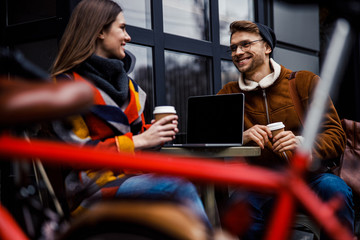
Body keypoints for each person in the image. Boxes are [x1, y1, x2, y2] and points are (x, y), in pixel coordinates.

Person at [49, 0, 211, 229]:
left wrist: (154, 134)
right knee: (179, 188)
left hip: (134, 178)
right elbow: (76, 154)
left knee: (197, 177)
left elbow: (136, 136)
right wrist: (140, 141)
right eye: (122, 28)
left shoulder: (131, 87)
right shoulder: (65, 87)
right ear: (100, 31)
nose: (129, 37)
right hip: (92, 190)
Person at [217, 20, 354, 239]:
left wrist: (302, 143)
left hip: (311, 178)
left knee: (336, 190)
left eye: (245, 44)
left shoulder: (304, 82)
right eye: (233, 48)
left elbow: (336, 136)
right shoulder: (229, 93)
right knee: (236, 208)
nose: (238, 52)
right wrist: (241, 136)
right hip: (262, 183)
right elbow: (211, 137)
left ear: (267, 47)